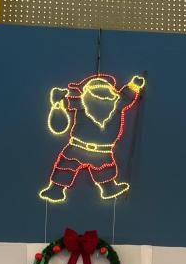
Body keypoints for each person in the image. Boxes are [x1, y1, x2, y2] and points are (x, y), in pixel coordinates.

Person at [38, 74, 145, 203]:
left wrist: (134, 85)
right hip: (78, 147)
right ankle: (56, 190)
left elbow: (127, 96)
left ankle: (109, 189)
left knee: (103, 170)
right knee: (67, 167)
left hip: (100, 151)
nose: (100, 96)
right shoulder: (83, 103)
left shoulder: (117, 104)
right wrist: (58, 100)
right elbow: (64, 103)